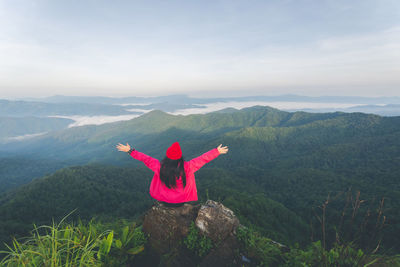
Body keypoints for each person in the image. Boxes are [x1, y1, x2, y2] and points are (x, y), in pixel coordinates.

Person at [116, 142, 228, 207]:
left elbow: (145, 159)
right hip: (181, 202)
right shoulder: (188, 167)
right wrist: (216, 151)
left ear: (167, 157)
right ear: (180, 157)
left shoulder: (160, 167)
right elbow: (203, 159)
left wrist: (130, 150)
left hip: (165, 201)